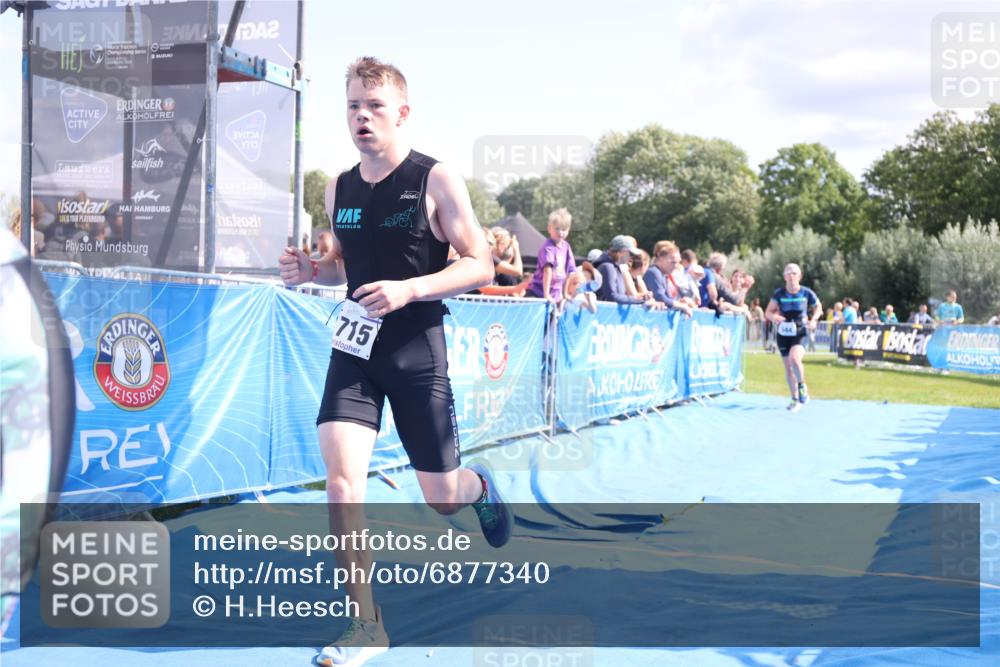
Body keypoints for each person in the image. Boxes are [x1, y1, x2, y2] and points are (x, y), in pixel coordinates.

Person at [277, 57, 512, 667]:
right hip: (355, 351)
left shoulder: (435, 178)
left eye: (374, 106)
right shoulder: (337, 185)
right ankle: (367, 624)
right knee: (341, 480)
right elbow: (346, 265)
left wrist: (409, 289)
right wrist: (314, 271)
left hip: (415, 349)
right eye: (353, 105)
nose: (361, 115)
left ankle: (478, 484)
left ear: (401, 113)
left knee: (441, 497)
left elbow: (480, 263)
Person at [765, 263, 822, 412]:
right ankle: (794, 399)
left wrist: (814, 319)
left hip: (800, 332)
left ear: (800, 276)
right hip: (783, 333)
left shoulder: (806, 292)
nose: (791, 276)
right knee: (788, 368)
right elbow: (768, 313)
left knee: (795, 359)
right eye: (788, 273)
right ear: (784, 277)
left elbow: (818, 307)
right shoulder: (779, 294)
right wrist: (775, 317)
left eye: (794, 273)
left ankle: (802, 386)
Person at [594, 236, 663, 309]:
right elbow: (612, 296)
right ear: (622, 253)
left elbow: (620, 296)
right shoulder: (607, 267)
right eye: (631, 254)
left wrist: (641, 297)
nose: (632, 258)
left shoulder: (615, 268)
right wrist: (641, 300)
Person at [525, 208, 575, 305]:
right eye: (557, 229)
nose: (560, 232)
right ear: (549, 229)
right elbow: (548, 271)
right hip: (537, 292)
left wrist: (564, 293)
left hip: (555, 294)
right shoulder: (548, 248)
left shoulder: (566, 247)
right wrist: (546, 294)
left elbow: (569, 271)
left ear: (568, 230)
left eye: (564, 229)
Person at [642, 241, 694, 316]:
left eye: (678, 262)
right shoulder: (653, 272)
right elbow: (660, 298)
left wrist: (681, 302)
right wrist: (683, 307)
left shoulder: (663, 275)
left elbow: (668, 298)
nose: (676, 266)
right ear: (661, 258)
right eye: (673, 262)